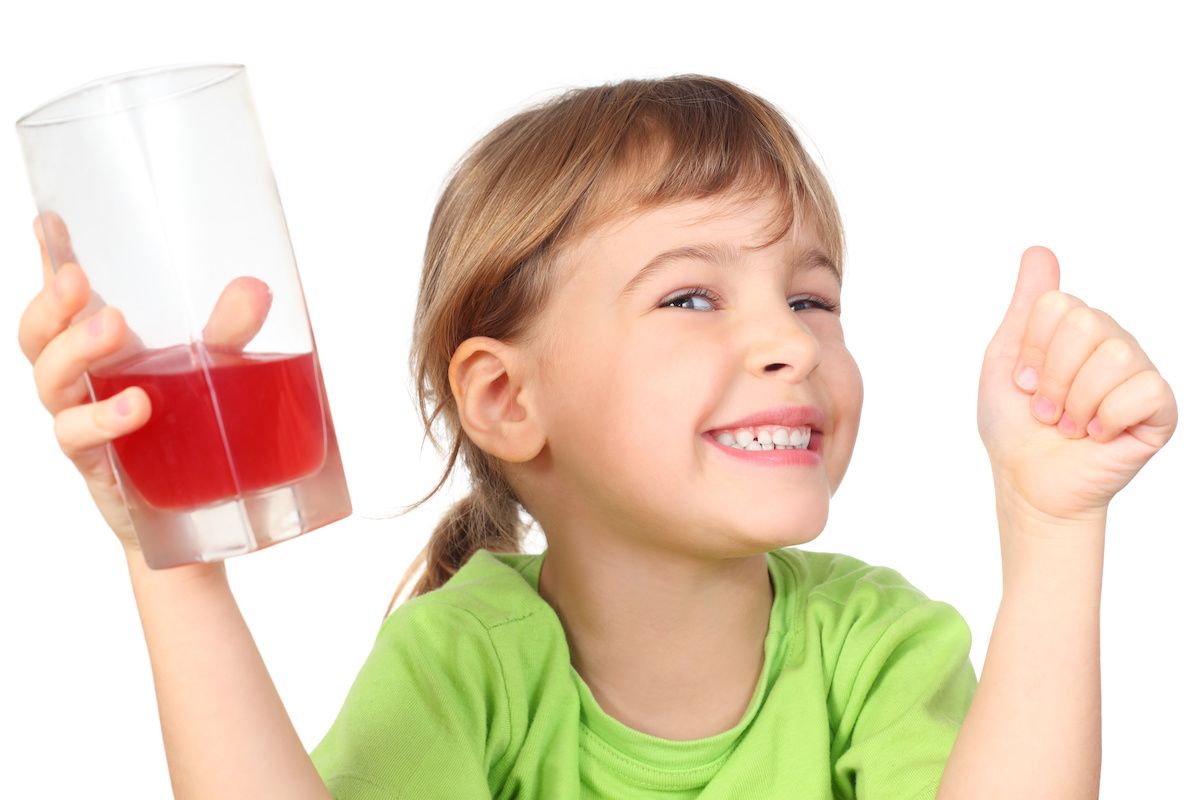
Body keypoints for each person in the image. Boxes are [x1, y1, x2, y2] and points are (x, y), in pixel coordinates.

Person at [16, 74, 1177, 799]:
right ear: (509, 399)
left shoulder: (873, 639)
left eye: (812, 298)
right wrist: (167, 558)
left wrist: (1053, 524)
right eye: (690, 296)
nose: (790, 343)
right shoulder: (468, 656)